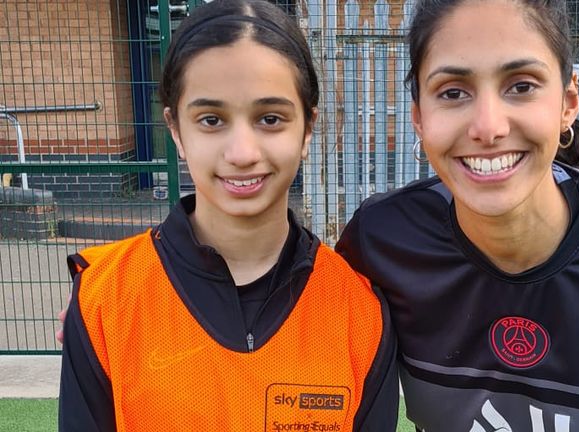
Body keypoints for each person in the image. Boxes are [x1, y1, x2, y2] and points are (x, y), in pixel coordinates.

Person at [334, 0, 579, 431]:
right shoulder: (379, 240)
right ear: (418, 117)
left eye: (521, 86)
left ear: (567, 103)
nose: (488, 127)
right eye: (453, 92)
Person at [57, 1, 398, 430]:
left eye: (270, 118)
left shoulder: (358, 311)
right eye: (212, 119)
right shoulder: (104, 300)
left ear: (307, 129)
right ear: (177, 131)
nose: (242, 153)